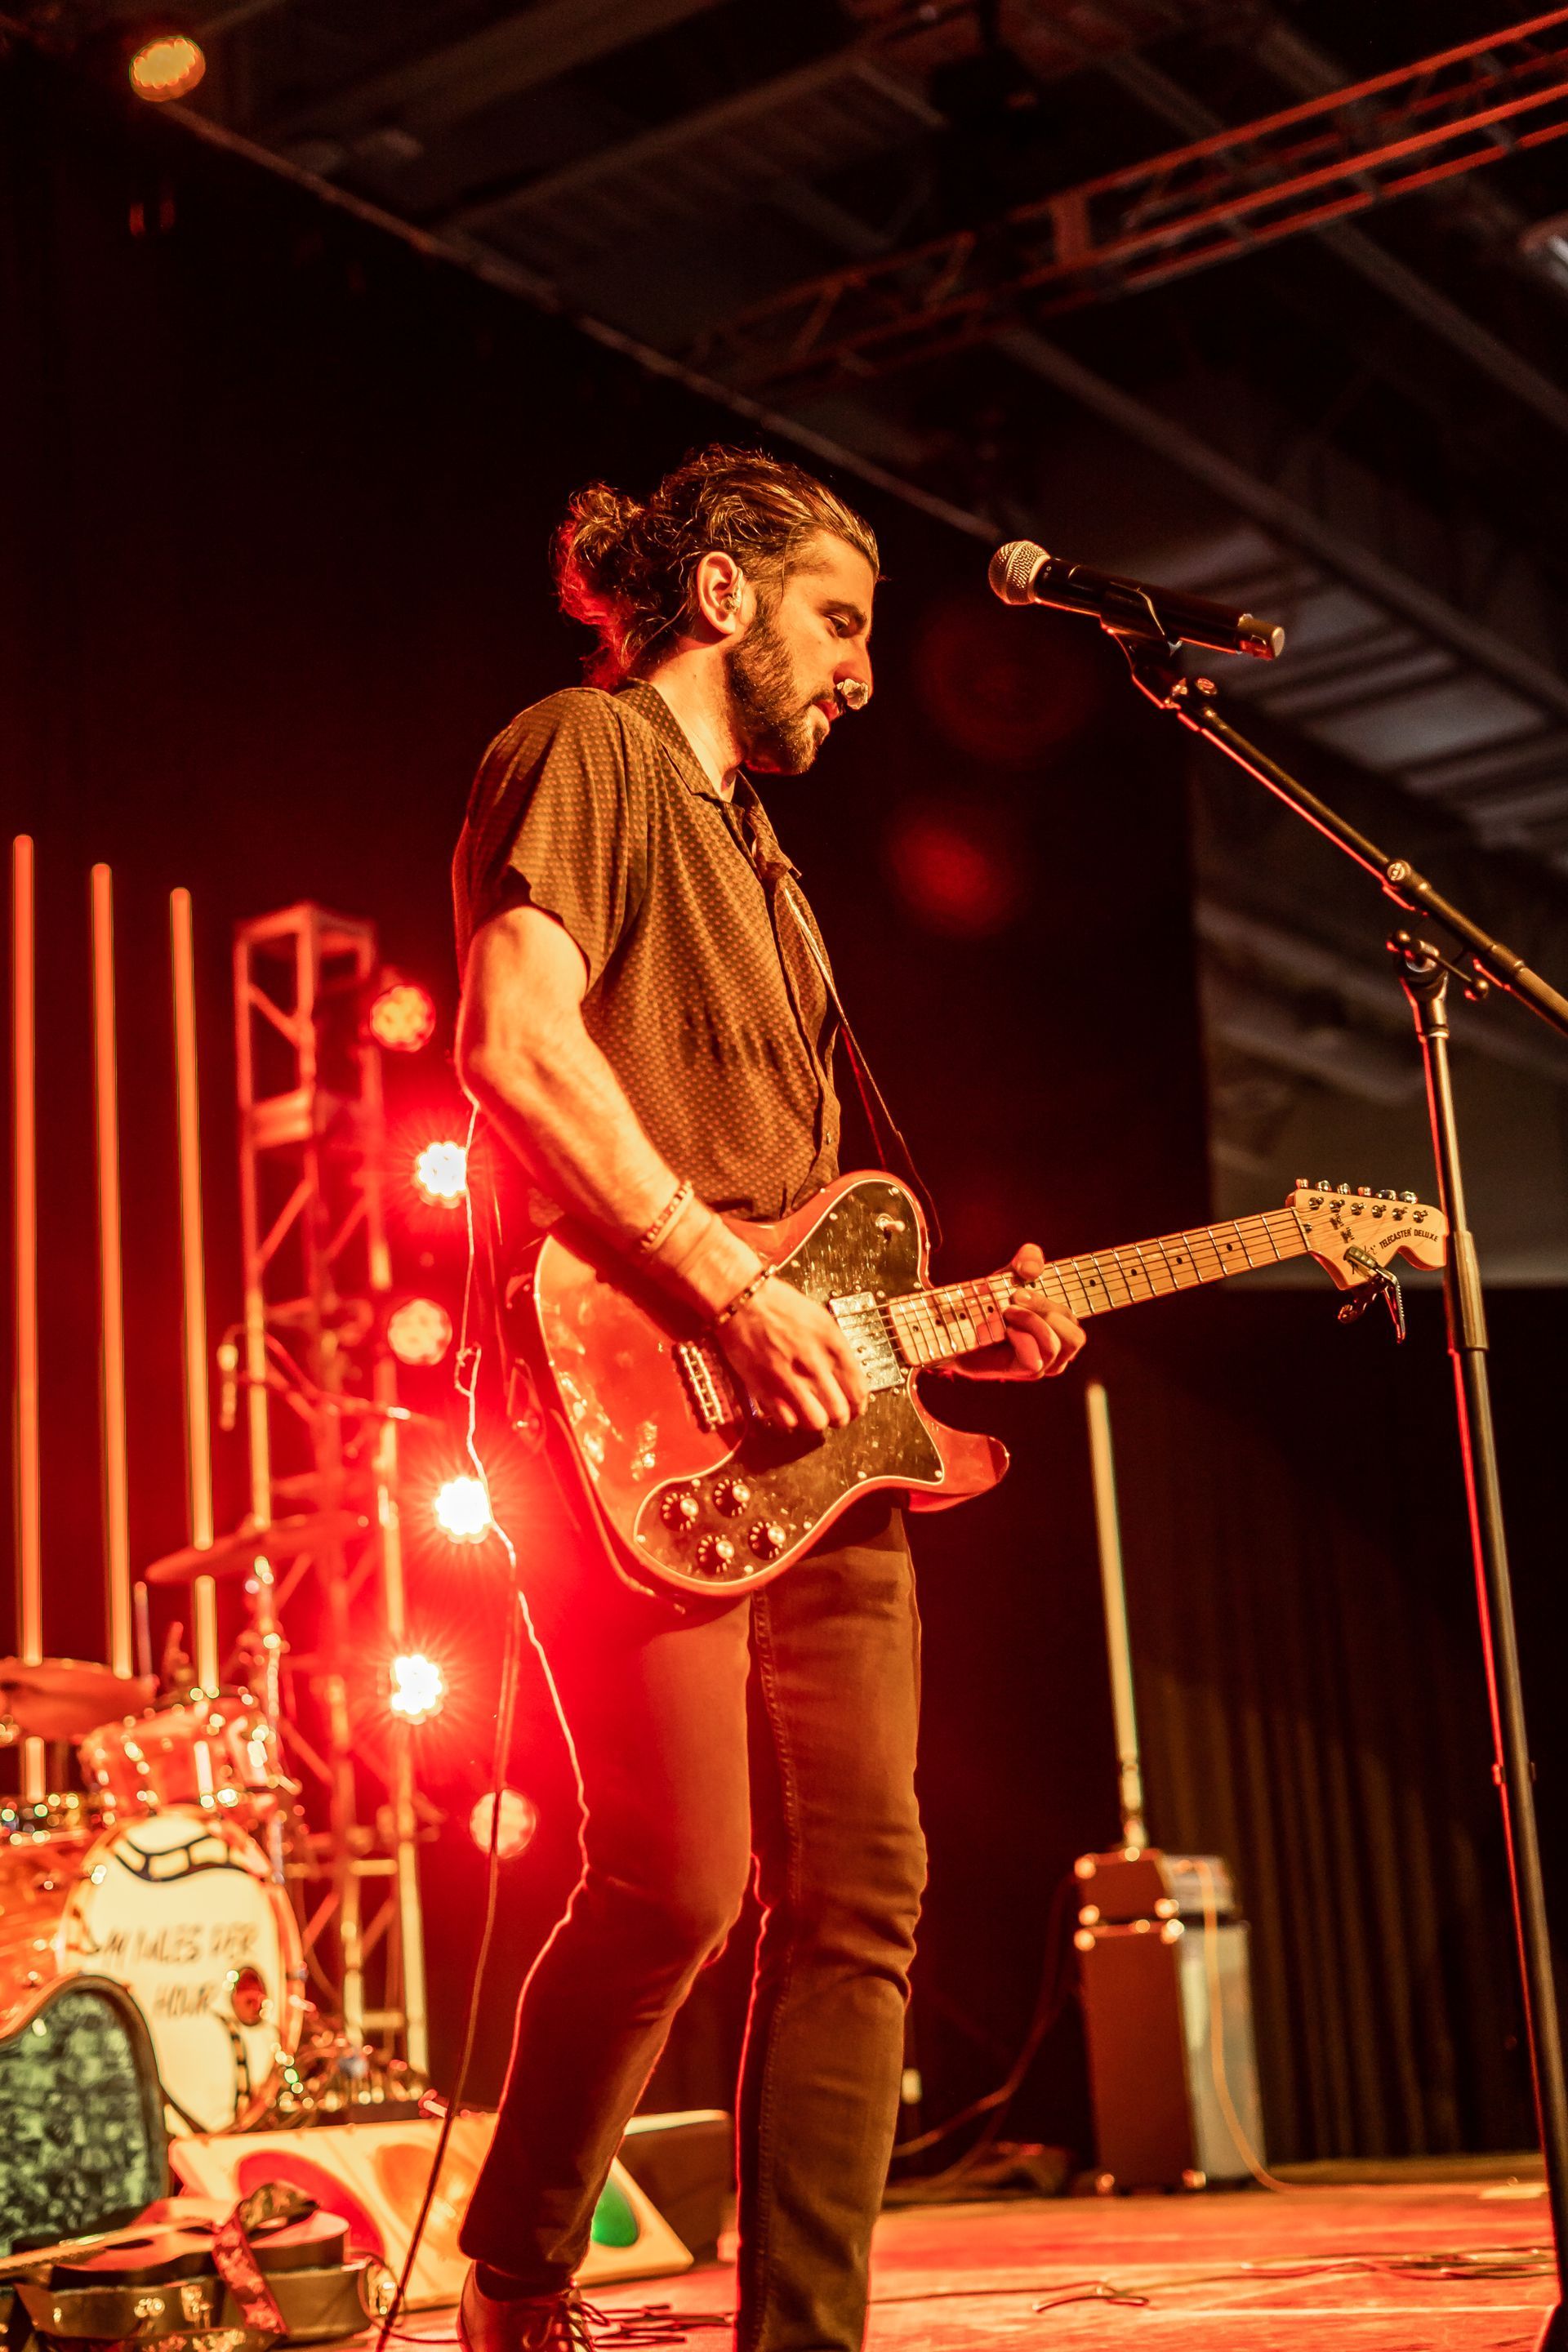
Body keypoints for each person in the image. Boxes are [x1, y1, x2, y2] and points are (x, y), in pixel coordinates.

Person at [451, 446, 1085, 2352]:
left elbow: (823, 1226)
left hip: (820, 1430)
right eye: (839, 620)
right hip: (625, 1383)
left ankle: (808, 2338)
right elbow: (512, 1044)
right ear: (720, 597)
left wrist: (945, 1324)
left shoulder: (776, 878)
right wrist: (723, 1284)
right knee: (673, 1880)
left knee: (867, 1890)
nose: (864, 673)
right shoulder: (586, 754)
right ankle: (518, 2269)